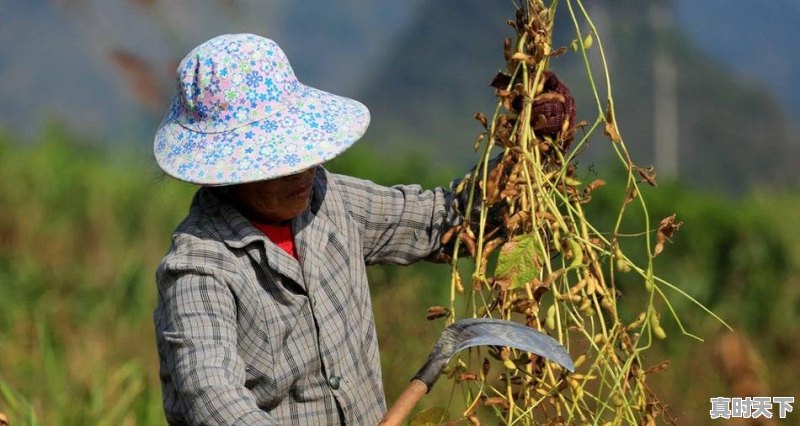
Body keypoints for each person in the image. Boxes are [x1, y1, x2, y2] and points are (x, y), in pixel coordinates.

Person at [153, 33, 574, 425]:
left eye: (303, 150)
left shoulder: (332, 201)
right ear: (228, 172)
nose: (303, 171)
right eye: (279, 162)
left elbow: (446, 222)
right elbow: (213, 399)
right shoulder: (199, 268)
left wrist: (526, 154)